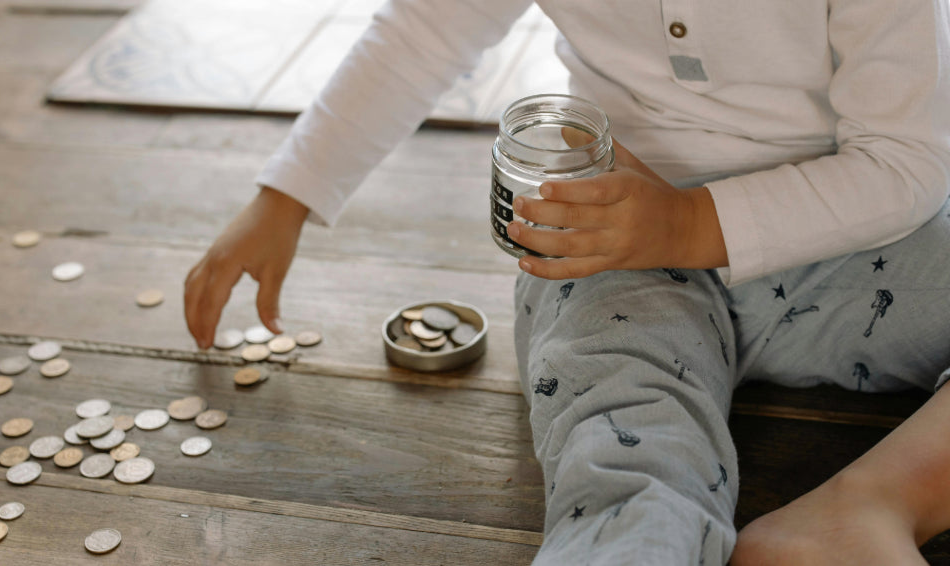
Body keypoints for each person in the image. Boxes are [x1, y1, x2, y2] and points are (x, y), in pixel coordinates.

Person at [183, 1, 950, 563]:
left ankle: (875, 501)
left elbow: (906, 165)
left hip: (849, 241)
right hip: (608, 247)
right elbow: (424, 29)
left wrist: (689, 224)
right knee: (626, 450)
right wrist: (286, 197)